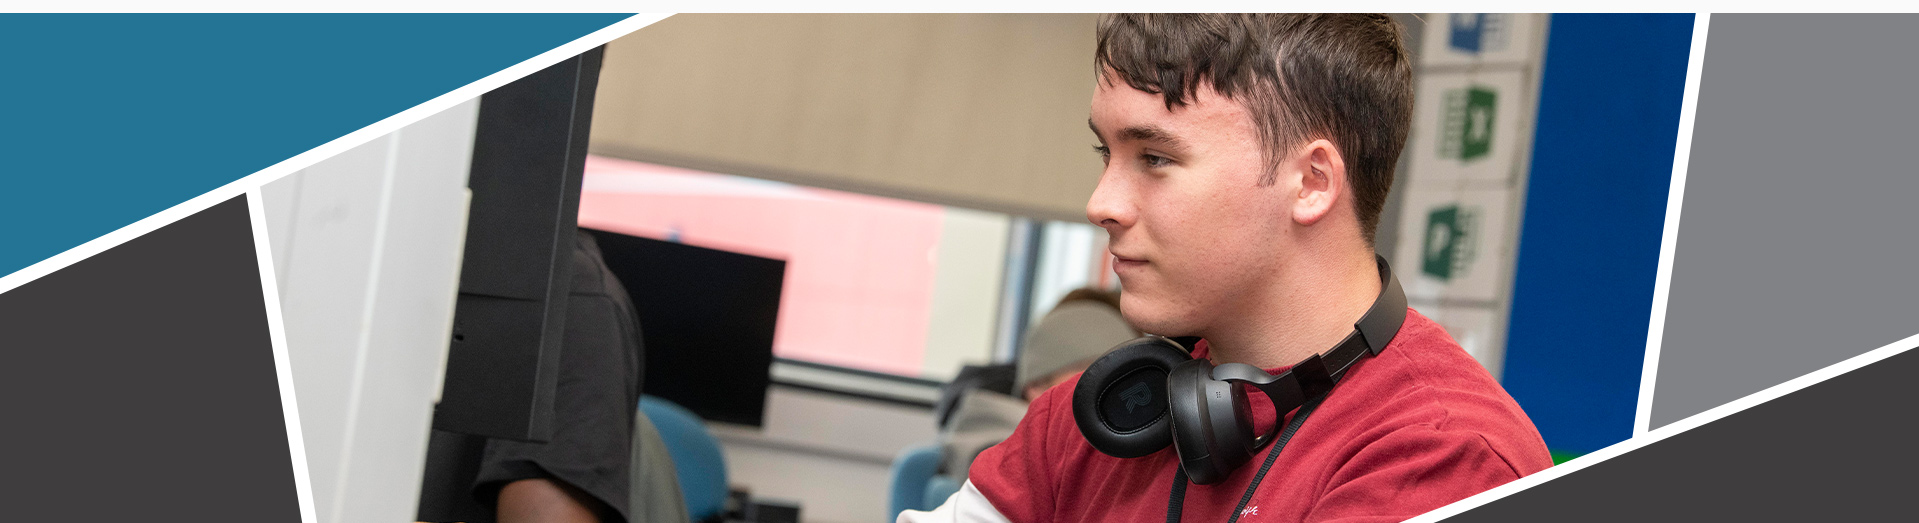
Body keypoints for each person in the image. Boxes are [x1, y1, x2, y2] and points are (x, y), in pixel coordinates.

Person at [901, 14, 1551, 522]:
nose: (1100, 204)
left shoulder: (1443, 456)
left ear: (1310, 182)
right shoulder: (1101, 413)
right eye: (1107, 152)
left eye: (1153, 157)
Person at [931, 288, 1139, 490]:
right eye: (1090, 375)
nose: (1113, 391)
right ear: (1036, 387)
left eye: (1121, 379)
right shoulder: (992, 444)